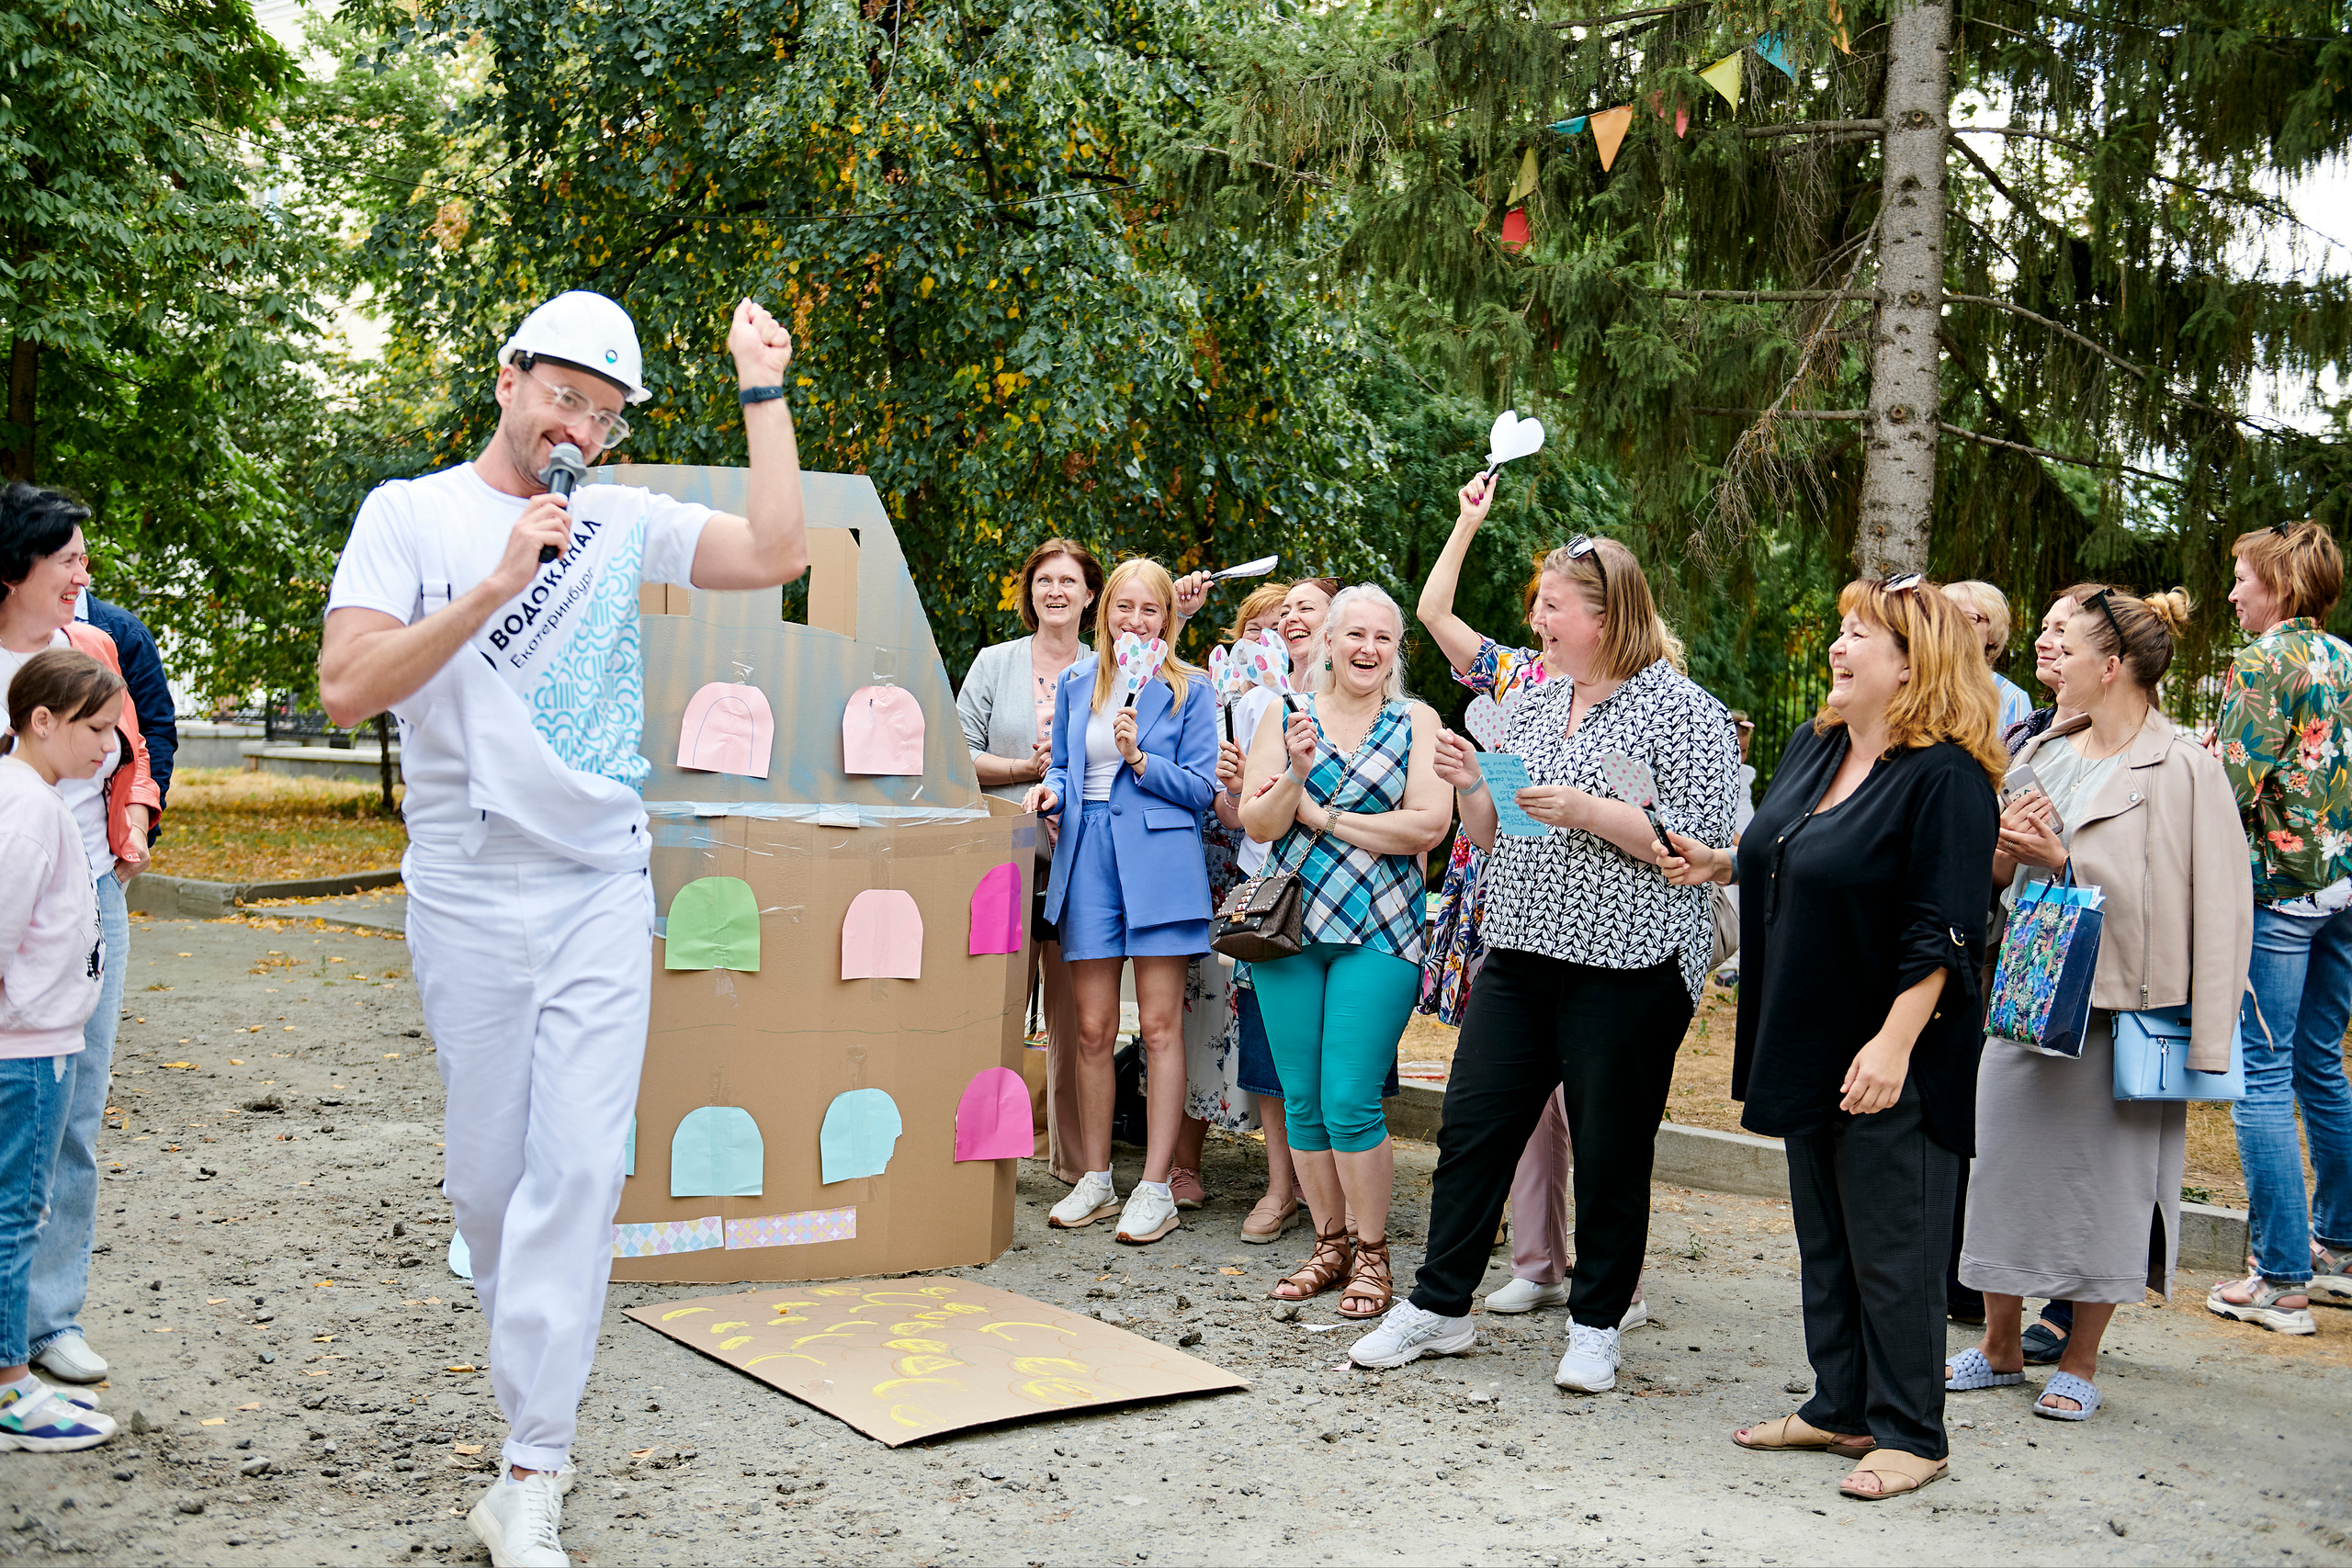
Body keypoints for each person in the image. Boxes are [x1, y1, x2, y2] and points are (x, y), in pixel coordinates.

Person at [317, 290, 809, 1567]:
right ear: (508, 379)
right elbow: (345, 688)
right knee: (492, 1188)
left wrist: (765, 388)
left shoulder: (623, 521)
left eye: (605, 410)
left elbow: (774, 553)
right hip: (470, 888)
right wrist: (493, 584)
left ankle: (534, 1460)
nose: (579, 424)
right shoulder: (411, 515)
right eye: (565, 395)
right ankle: (520, 1350)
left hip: (599, 878)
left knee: (581, 1173)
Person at [1350, 530, 1737, 1390]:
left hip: (1628, 963)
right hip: (1520, 949)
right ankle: (1438, 1306)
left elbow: (1700, 845)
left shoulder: (1686, 711)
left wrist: (1592, 810)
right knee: (1473, 1128)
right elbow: (1498, 836)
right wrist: (1469, 783)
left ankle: (1596, 1323)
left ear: (1606, 616)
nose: (1537, 620)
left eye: (1552, 606)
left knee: (1610, 1146)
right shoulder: (1531, 699)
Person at [1670, 576, 2001, 1501]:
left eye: (1859, 634)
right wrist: (1721, 861)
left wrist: (1893, 1044)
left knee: (1894, 1246)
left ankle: (1912, 1433)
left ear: (1912, 664)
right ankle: (1841, 1406)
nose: (1837, 646)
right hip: (1807, 1030)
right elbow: (1789, 844)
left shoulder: (1946, 778)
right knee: (1827, 1236)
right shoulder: (1817, 746)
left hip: (1896, 1047)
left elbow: (1944, 928)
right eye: (1841, 627)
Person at [1950, 586, 2249, 1419]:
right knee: (2001, 1166)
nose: (2050, 655)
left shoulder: (2185, 764)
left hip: (2129, 1011)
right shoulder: (2043, 749)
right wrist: (2012, 857)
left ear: (2111, 665)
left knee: (2111, 1186)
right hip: (2027, 999)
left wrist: (2210, 1043)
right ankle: (1998, 1345)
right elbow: (1998, 882)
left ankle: (2080, 1359)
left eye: (2066, 644)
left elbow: (2220, 905)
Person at [1410, 476, 1614, 1317]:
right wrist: (1466, 523)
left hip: (1590, 917)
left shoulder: (1633, 692)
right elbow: (1432, 611)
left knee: (1589, 1101)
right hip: (1498, 885)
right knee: (1514, 1100)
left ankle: (1614, 1274)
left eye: (1553, 603)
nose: (1537, 618)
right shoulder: (1515, 677)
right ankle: (1536, 1260)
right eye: (1536, 605)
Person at [1239, 586, 1451, 1316]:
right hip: (1290, 931)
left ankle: (1372, 1254)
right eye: (1354, 633)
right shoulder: (1284, 715)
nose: (1367, 648)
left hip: (1384, 931)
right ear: (1327, 640)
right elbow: (1259, 824)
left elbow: (1426, 825)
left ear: (1396, 649)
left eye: (1383, 637)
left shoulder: (1416, 720)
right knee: (1301, 1098)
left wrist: (1323, 814)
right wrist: (1294, 773)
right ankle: (1327, 1244)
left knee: (1351, 1097)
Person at [0, 485, 158, 1391]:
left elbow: (131, 746)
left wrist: (133, 829)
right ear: (15, 567)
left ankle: (49, 1318)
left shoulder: (92, 645)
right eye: (66, 558)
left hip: (87, 901)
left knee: (70, 1116)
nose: (82, 573)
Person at [1023, 558, 1218, 1246]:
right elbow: (1067, 769)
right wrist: (1051, 790)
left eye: (1151, 610)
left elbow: (1202, 790)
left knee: (1161, 1028)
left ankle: (1157, 1186)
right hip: (1089, 854)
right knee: (1090, 1029)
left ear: (1167, 618)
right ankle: (1097, 1176)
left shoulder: (1191, 688)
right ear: (1104, 612)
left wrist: (1139, 760)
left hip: (1160, 859)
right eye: (1125, 607)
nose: (1136, 620)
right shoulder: (1080, 682)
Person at [2207, 521, 2352, 1333]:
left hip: (2280, 889)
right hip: (2344, 888)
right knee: (2319, 1066)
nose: (2233, 593)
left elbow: (2228, 786)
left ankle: (2281, 1280)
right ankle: (2340, 1249)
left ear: (2281, 585)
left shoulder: (2266, 662)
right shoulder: (2346, 659)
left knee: (2259, 1076)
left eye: (2241, 578)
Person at [0, 649, 125, 1454]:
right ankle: (12, 1387)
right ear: (42, 721)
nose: (107, 748)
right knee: (16, 1215)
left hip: (35, 1042)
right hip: (27, 1052)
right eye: (95, 729)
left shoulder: (33, 798)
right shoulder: (30, 811)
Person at [957, 539, 1102, 1185]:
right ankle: (985, 1158)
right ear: (1030, 591)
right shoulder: (994, 663)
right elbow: (958, 755)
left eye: (1069, 581)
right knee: (994, 1013)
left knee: (1077, 1024)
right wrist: (1028, 769)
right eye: (1045, 580)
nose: (1057, 591)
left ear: (1089, 595)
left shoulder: (1108, 671)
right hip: (1004, 865)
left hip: (1080, 868)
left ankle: (1073, 1163)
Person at [1220, 575, 1340, 1243]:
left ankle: (1340, 1185)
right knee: (1269, 1048)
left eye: (1307, 608)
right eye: (1286, 609)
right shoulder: (1262, 702)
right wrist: (1237, 785)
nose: (1292, 616)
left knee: (1337, 1046)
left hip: (1343, 896)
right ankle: (1280, 1185)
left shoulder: (1369, 701)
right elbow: (1246, 815)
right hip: (1267, 892)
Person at [1170, 580, 1293, 1219]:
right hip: (1215, 869)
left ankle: (1292, 1175)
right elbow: (1150, 675)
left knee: (1266, 1023)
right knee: (1202, 1013)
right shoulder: (1213, 692)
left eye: (1282, 626)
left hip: (1274, 869)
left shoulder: (1308, 702)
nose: (1266, 638)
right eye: (1256, 626)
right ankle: (1183, 1162)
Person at [78, 592, 176, 832]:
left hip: (107, 838)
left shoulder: (123, 632)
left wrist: (140, 823)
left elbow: (154, 731)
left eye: (77, 559)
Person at [1944, 580, 2034, 733]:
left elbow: (2015, 756)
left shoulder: (2012, 698)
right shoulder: (1916, 685)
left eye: (1969, 618)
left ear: (1993, 632)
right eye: (1945, 616)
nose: (1953, 625)